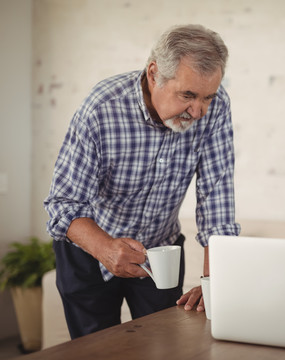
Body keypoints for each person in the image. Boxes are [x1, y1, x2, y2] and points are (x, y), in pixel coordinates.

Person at [44, 24, 240, 339]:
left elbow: (217, 199)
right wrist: (104, 247)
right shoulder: (102, 108)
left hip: (161, 248)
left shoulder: (214, 108)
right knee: (95, 352)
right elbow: (63, 205)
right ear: (153, 74)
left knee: (165, 348)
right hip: (89, 252)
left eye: (207, 97)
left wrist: (212, 281)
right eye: (188, 95)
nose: (199, 111)